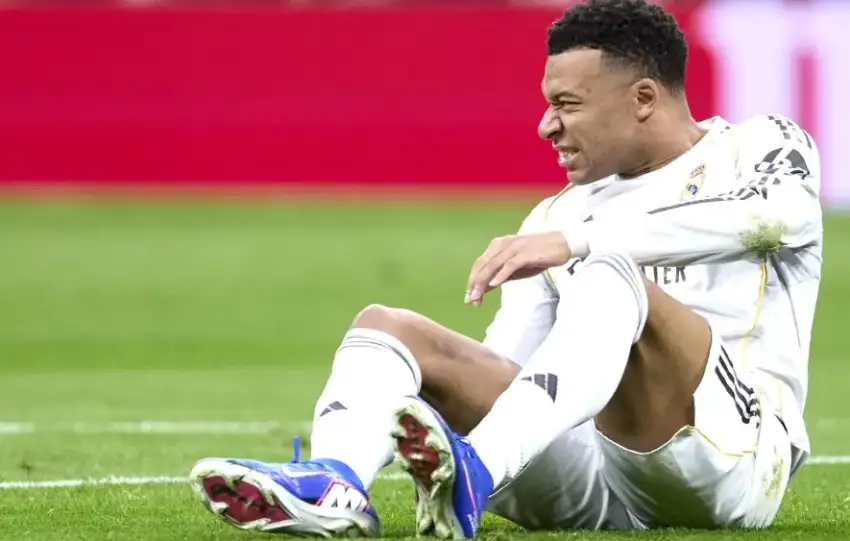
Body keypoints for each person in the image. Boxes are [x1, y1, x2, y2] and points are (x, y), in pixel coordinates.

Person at [188, 0, 823, 536]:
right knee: (389, 327)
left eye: (567, 104)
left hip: (734, 463)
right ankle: (337, 486)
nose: (547, 126)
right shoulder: (556, 217)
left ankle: (474, 473)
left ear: (642, 99)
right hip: (599, 480)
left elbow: (778, 218)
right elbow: (519, 375)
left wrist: (577, 243)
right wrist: (437, 404)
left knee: (611, 274)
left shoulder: (761, 146)